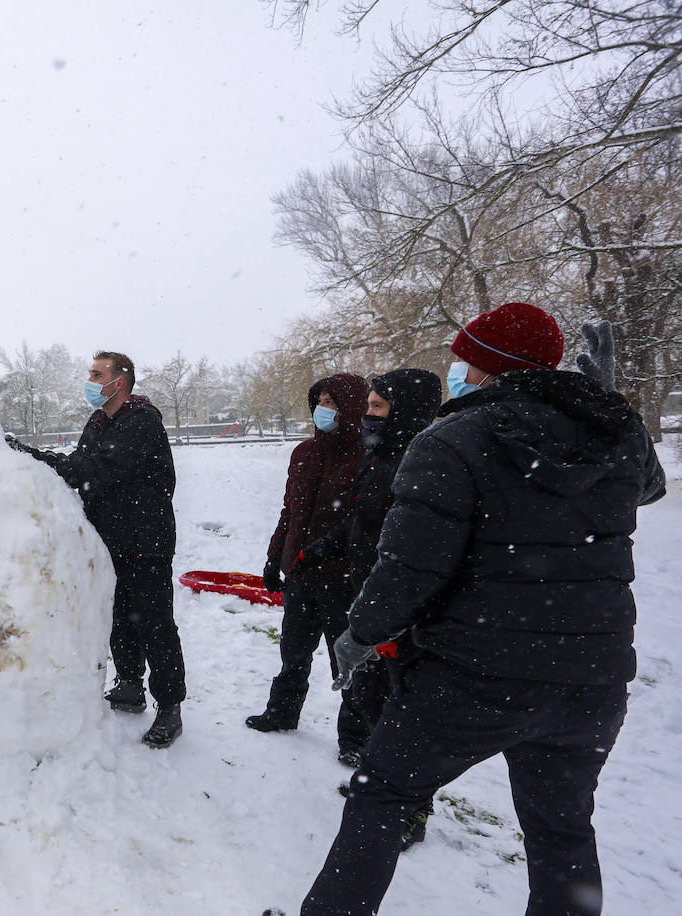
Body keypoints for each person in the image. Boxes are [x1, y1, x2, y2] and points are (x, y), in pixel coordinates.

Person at [301, 304, 665, 915]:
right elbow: (649, 486)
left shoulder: (451, 439)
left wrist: (359, 633)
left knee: (381, 798)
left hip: (472, 674)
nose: (456, 373)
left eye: (465, 361)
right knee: (562, 830)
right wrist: (605, 406)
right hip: (590, 682)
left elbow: (410, 569)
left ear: (490, 369)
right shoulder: (613, 435)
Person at [6, 351, 186, 748]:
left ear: (119, 381)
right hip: (112, 538)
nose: (89, 379)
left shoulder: (140, 422)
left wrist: (37, 458)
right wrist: (42, 460)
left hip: (145, 540)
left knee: (154, 623)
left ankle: (170, 707)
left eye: (96, 373)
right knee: (119, 615)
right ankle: (129, 685)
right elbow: (81, 461)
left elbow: (97, 470)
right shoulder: (100, 419)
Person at [293, 368, 442, 847]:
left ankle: (411, 812)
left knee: (402, 715)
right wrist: (318, 548)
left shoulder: (422, 463)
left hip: (401, 612)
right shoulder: (383, 458)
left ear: (405, 411)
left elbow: (411, 552)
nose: (368, 415)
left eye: (378, 407)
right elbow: (361, 524)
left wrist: (384, 615)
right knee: (376, 700)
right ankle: (383, 791)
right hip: (371, 597)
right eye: (370, 405)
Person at [246, 373, 370, 764]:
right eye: (320, 400)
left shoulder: (368, 456)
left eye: (332, 402)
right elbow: (290, 512)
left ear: (351, 407)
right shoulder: (304, 453)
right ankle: (281, 713)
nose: (324, 409)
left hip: (342, 578)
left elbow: (362, 524)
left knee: (347, 663)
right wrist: (274, 556)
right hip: (299, 573)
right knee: (293, 651)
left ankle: (355, 739)